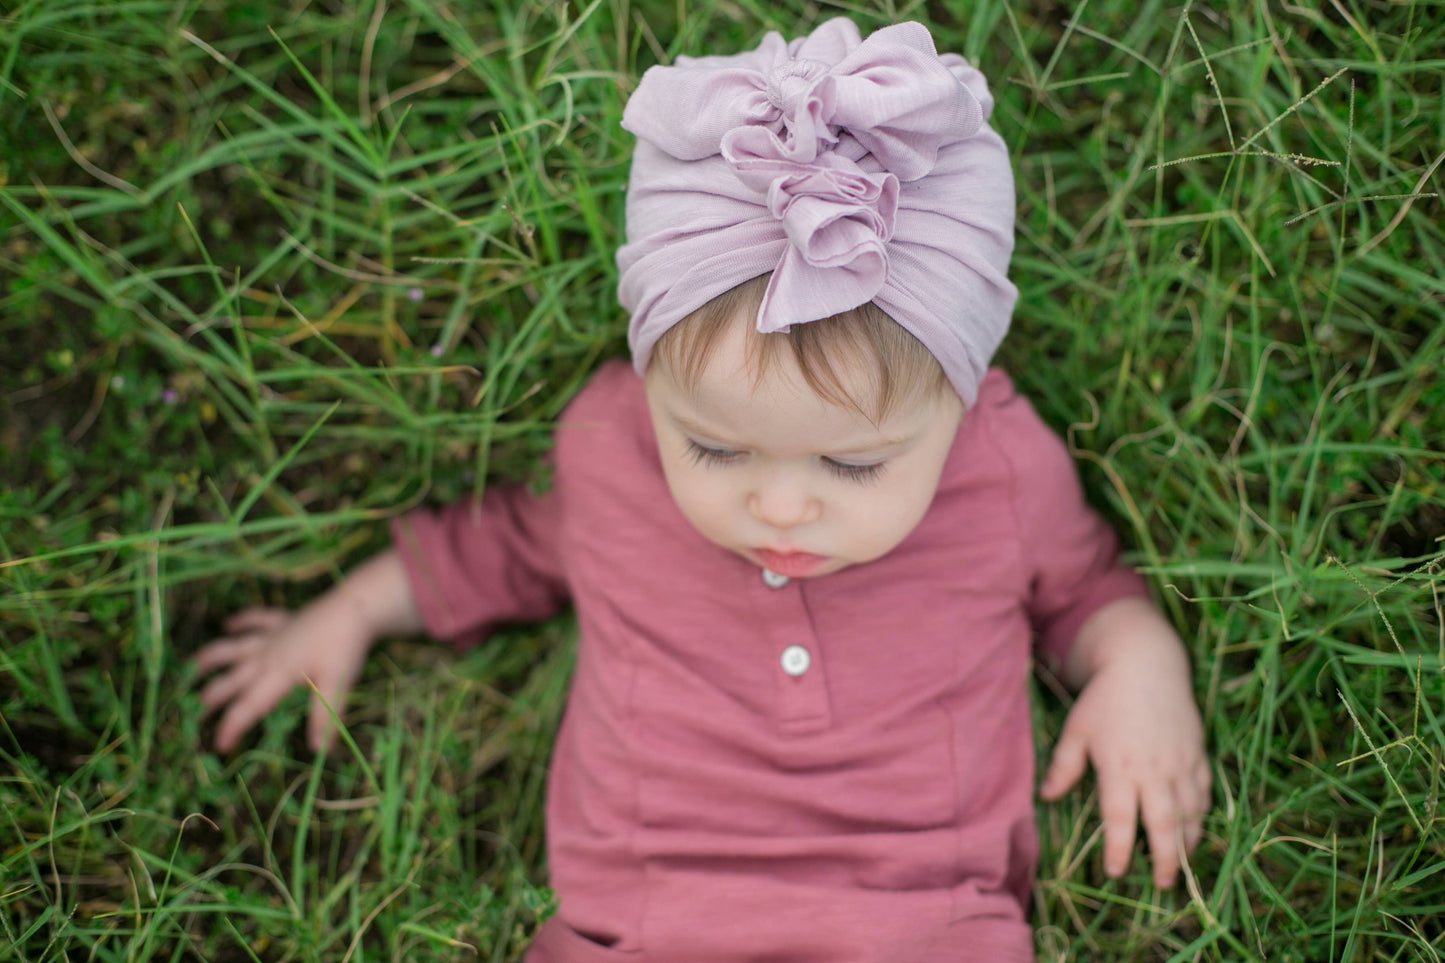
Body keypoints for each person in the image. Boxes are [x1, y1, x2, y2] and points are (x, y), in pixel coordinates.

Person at [194, 18, 1209, 961]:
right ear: (650, 387)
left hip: (923, 927)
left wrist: (1139, 668)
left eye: (851, 464)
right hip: (636, 926)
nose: (777, 507)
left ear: (964, 397)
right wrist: (353, 610)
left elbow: (1084, 590)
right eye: (715, 450)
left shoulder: (1000, 468)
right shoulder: (610, 447)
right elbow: (504, 548)